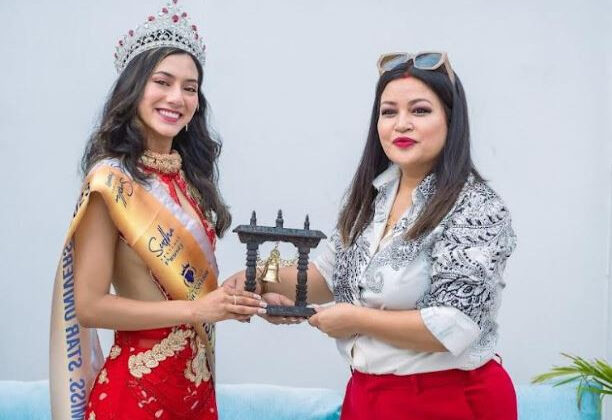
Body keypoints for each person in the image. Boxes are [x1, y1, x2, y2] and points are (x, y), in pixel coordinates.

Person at [225, 51, 517, 419]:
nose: (401, 124)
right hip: (369, 398)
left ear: (451, 119)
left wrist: (355, 319)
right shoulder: (372, 198)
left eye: (420, 111)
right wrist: (257, 280)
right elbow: (327, 276)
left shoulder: (475, 207)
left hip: (450, 401)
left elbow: (454, 324)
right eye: (389, 112)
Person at [49, 2, 266, 419]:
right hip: (134, 394)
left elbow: (193, 287)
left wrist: (228, 296)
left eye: (190, 88)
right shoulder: (110, 183)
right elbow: (90, 306)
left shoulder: (190, 181)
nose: (176, 98)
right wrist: (197, 309)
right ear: (134, 89)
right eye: (162, 82)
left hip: (196, 391)